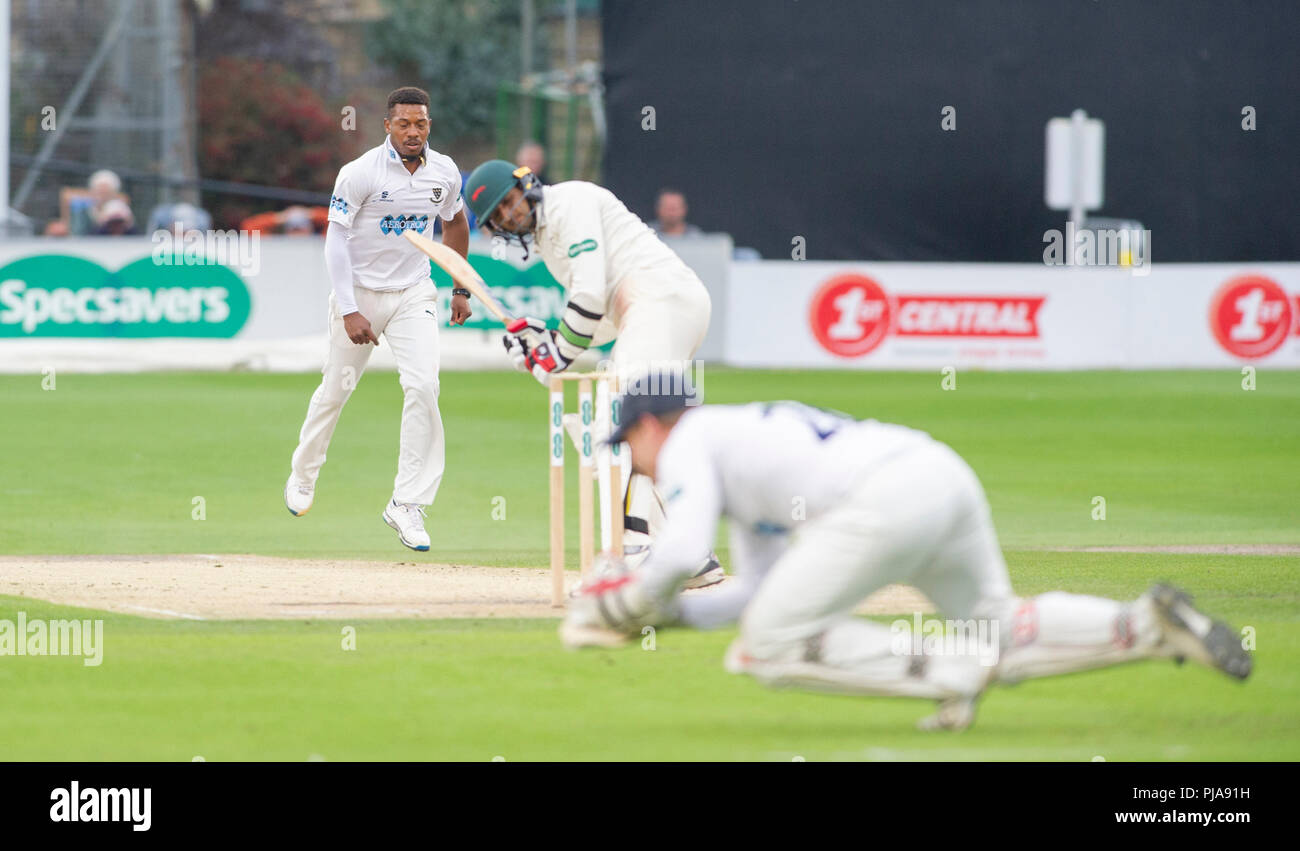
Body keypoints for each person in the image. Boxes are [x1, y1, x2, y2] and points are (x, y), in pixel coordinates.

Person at [561, 377, 1253, 731]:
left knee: (765, 647)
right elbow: (755, 587)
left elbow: (681, 549)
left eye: (629, 446)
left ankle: (958, 670)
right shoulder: (742, 449)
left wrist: (628, 602)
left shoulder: (689, 440)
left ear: (650, 424)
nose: (636, 463)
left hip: (882, 498)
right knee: (998, 623)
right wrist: (670, 616)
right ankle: (1144, 623)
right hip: (937, 473)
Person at [463, 159, 722, 588]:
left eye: (508, 202)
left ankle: (635, 547)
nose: (509, 215)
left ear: (525, 182)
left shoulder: (571, 201)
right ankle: (689, 553)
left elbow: (587, 295)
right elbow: (598, 318)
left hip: (662, 302)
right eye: (498, 215)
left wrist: (556, 354)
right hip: (658, 308)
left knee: (618, 421)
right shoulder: (548, 243)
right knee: (645, 428)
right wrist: (543, 342)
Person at [284, 86, 473, 552]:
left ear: (430, 125)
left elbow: (456, 224)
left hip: (413, 292)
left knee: (425, 387)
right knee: (335, 391)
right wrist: (349, 308)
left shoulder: (445, 171)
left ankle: (407, 503)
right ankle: (304, 476)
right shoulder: (360, 173)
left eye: (421, 123)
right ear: (387, 126)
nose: (414, 132)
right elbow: (335, 240)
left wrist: (460, 285)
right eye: (405, 123)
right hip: (361, 295)